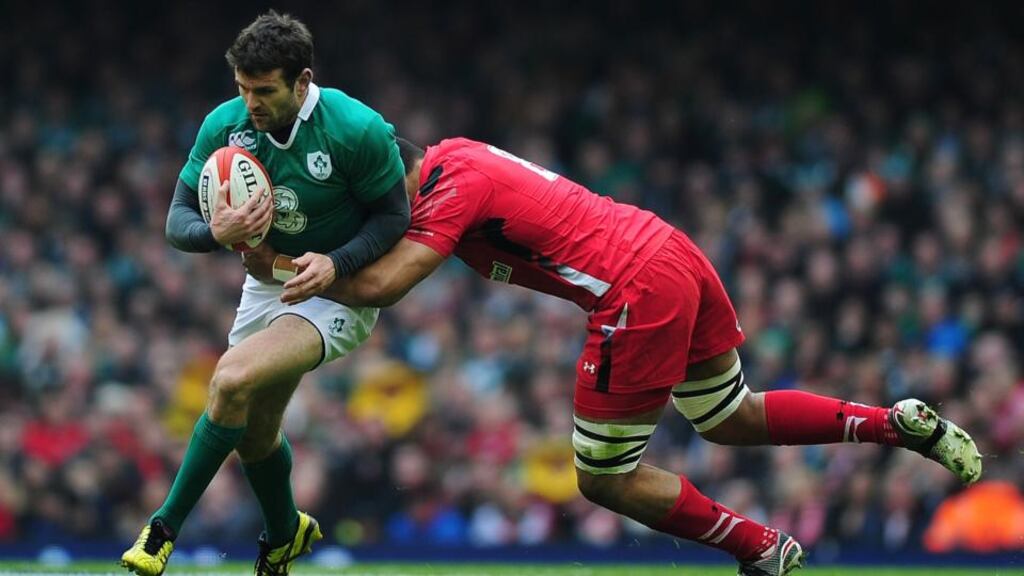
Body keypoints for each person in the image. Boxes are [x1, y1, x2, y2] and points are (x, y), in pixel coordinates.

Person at [261, 137, 982, 576]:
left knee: (602, 478)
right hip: (667, 249)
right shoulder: (459, 155)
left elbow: (385, 285)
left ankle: (761, 549)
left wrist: (281, 263)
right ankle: (894, 424)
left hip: (633, 289)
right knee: (728, 414)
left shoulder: (450, 191)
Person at [120, 11, 409, 576]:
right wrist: (214, 233)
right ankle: (284, 534)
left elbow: (393, 217)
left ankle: (162, 530)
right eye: (242, 88)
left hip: (338, 289)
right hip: (266, 281)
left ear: (302, 82)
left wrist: (337, 262)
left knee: (230, 380)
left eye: (265, 91)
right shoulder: (225, 126)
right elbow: (176, 220)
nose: (251, 102)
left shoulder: (355, 128)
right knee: (253, 434)